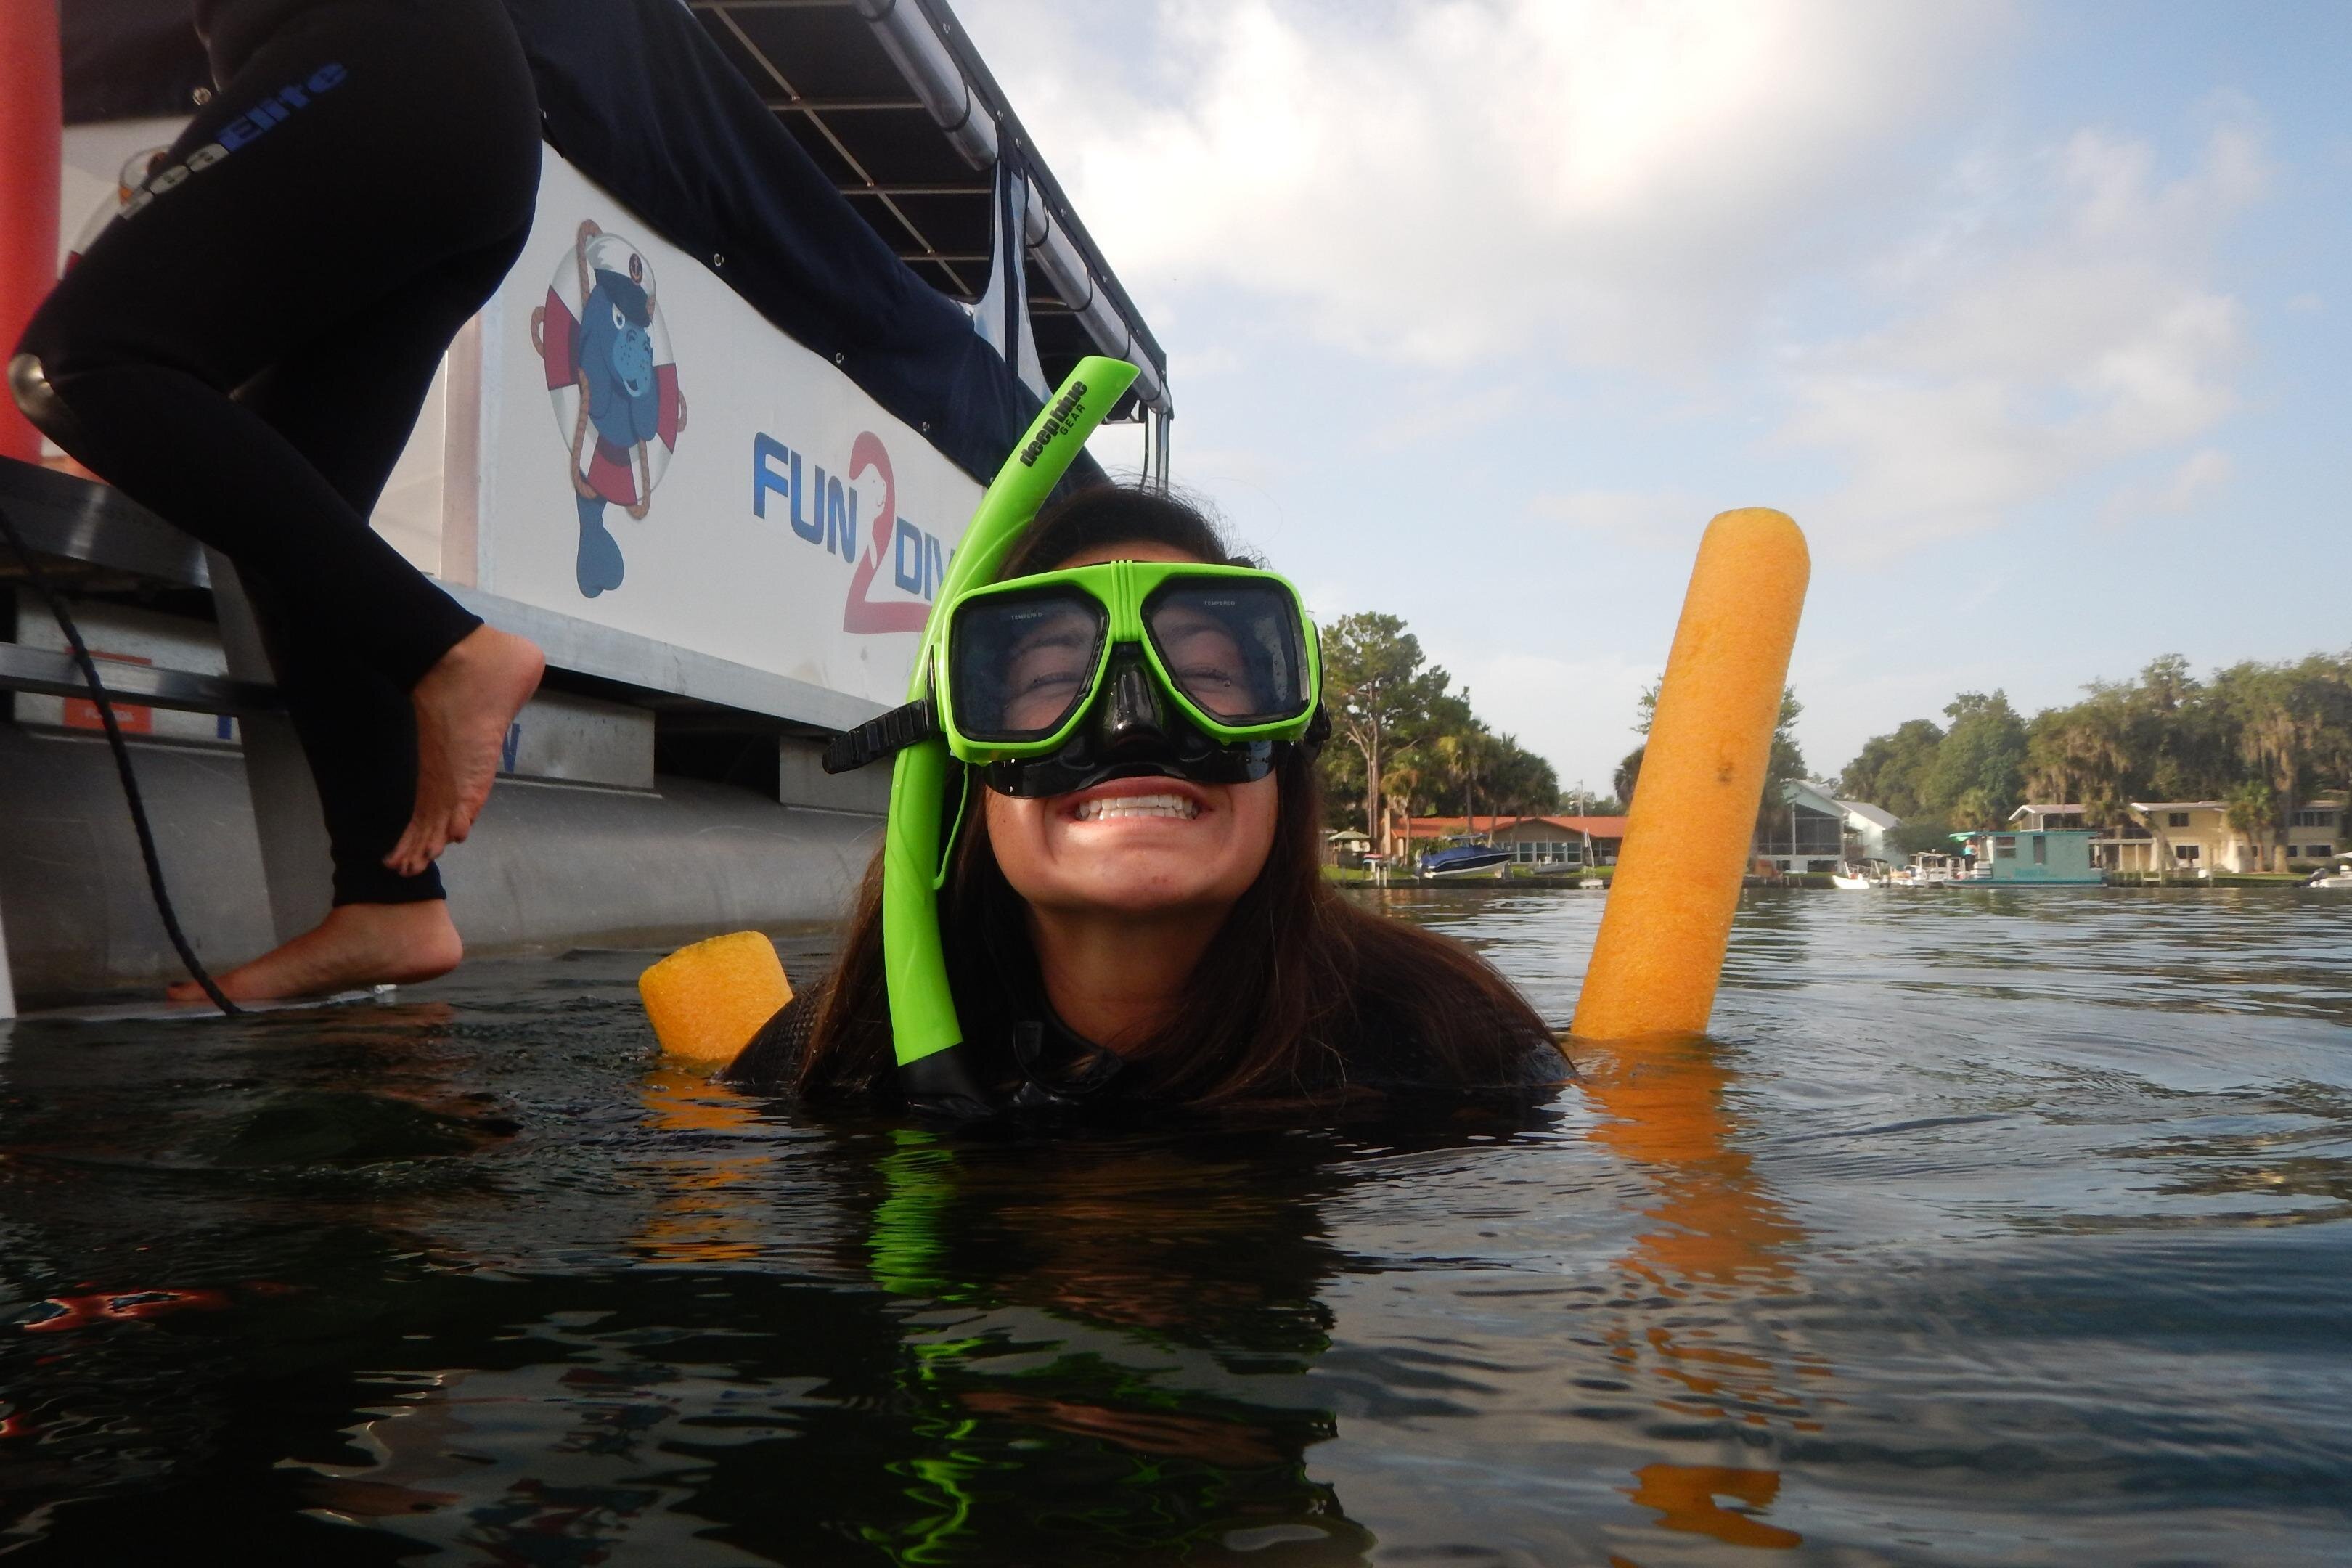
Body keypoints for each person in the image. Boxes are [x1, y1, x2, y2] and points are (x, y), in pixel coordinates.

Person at [9, 0, 551, 1000]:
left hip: (386, 62)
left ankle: (448, 650)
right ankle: (391, 904)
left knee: (76, 364)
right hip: (449, 116)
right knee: (293, 505)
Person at [726, 485, 1569, 1112]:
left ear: (1287, 746)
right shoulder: (831, 1060)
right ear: (961, 765)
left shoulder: (1454, 1044)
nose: (1133, 726)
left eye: (1204, 673)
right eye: (1052, 679)